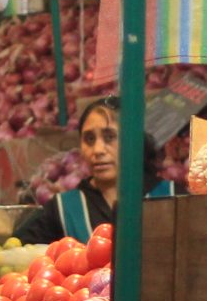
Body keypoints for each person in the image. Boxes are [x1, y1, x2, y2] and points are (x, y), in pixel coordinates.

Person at [16, 98, 171, 244]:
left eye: (110, 137)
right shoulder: (63, 209)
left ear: (135, 141)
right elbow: (14, 250)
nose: (97, 150)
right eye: (89, 139)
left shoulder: (171, 196)